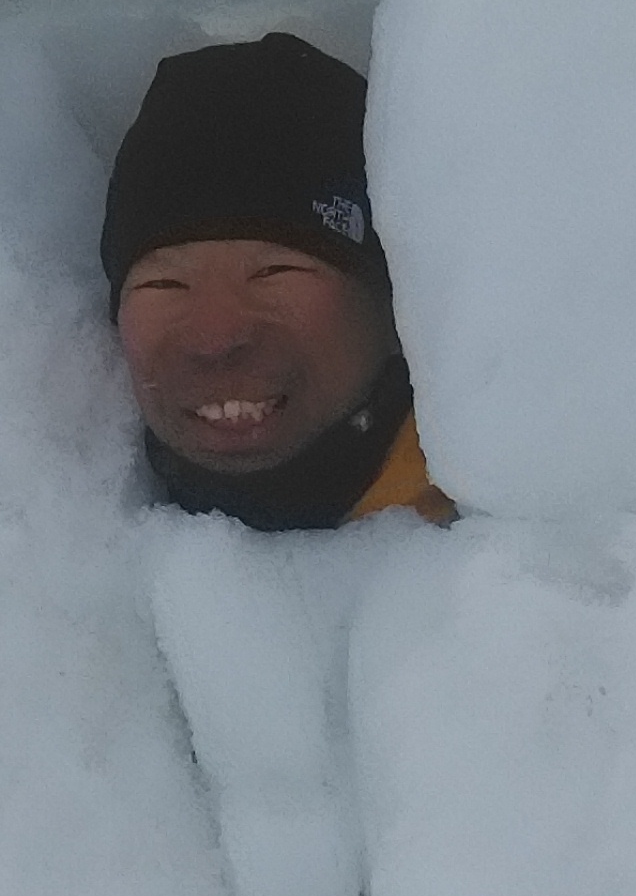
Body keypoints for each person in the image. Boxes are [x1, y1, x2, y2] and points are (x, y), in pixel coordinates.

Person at [98, 33, 454, 531]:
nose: (216, 339)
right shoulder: (45, 551)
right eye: (166, 285)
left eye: (274, 272)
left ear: (394, 309)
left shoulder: (526, 555)